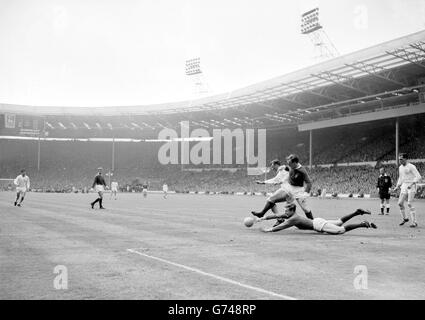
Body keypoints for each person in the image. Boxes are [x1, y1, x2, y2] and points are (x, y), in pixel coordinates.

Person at [257, 205, 377, 235]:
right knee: (339, 221)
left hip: (319, 225)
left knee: (341, 230)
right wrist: (264, 218)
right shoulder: (291, 215)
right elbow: (277, 216)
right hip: (317, 221)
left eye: (287, 210)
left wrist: (270, 230)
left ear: (292, 211)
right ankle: (357, 212)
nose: (285, 212)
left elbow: (281, 226)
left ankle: (363, 224)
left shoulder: (293, 218)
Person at [393, 154, 422, 227]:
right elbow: (401, 178)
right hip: (404, 186)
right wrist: (397, 186)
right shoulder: (400, 167)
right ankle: (405, 218)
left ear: (406, 159)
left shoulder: (411, 166)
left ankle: (414, 222)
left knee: (409, 203)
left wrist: (412, 183)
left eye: (401, 159)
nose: (400, 161)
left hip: (411, 186)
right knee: (400, 203)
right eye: (399, 159)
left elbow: (418, 176)